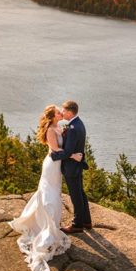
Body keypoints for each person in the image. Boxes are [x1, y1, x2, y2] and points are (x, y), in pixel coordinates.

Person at [8, 104, 83, 271]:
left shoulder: (59, 126)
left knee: (53, 193)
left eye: (61, 111)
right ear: (53, 116)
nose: (61, 113)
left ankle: (48, 223)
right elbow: (56, 151)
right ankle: (47, 226)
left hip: (57, 167)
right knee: (50, 196)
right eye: (58, 112)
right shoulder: (50, 129)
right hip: (51, 166)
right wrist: (73, 155)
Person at [51, 100, 92, 234]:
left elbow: (68, 152)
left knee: (76, 196)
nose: (62, 113)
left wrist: (53, 156)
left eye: (63, 110)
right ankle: (86, 221)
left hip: (71, 168)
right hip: (77, 166)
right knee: (80, 193)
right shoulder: (78, 123)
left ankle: (77, 224)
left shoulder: (73, 128)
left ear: (69, 112)